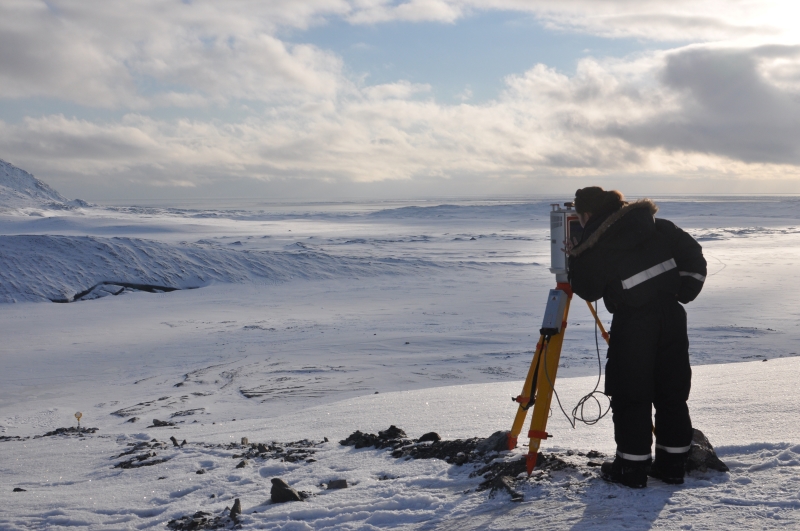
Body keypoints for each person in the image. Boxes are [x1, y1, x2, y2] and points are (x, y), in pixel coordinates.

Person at [566, 186, 707, 488]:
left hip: (634, 322)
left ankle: (631, 468)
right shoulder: (655, 225)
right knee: (671, 390)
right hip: (671, 317)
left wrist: (575, 255)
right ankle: (672, 466)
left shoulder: (600, 242)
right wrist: (680, 293)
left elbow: (587, 288)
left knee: (632, 392)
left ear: (588, 213)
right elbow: (694, 257)